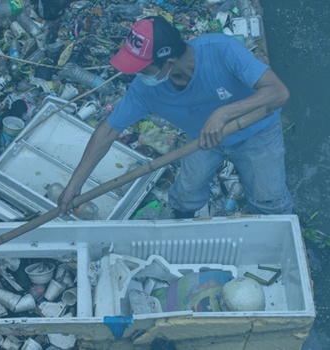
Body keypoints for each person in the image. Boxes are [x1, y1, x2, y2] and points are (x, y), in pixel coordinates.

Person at [57, 16, 293, 218]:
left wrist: (224, 113)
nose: (139, 75)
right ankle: (183, 226)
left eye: (144, 69)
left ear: (169, 62)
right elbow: (108, 130)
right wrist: (74, 185)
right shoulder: (145, 89)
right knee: (185, 196)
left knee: (268, 201)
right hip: (204, 138)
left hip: (257, 131)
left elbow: (279, 92)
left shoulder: (222, 50)